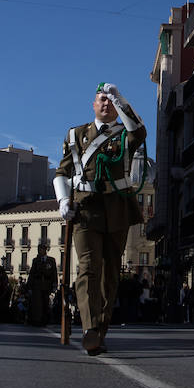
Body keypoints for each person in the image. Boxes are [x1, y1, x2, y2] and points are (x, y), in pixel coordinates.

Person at [53, 82, 146, 355]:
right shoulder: (76, 135)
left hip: (117, 208)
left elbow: (139, 132)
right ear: (93, 105)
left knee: (110, 274)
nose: (105, 103)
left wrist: (120, 99)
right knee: (87, 268)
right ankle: (89, 328)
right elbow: (62, 172)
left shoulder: (125, 134)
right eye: (101, 99)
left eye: (109, 100)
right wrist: (62, 201)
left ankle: (101, 329)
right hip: (86, 208)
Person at [27, 242, 57, 326]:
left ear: (45, 250)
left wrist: (55, 284)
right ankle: (37, 319)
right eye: (39, 249)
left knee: (46, 302)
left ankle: (45, 319)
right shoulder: (36, 260)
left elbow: (54, 273)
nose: (40, 251)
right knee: (38, 303)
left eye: (41, 249)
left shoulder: (51, 260)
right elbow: (32, 273)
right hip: (37, 284)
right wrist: (29, 285)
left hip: (47, 283)